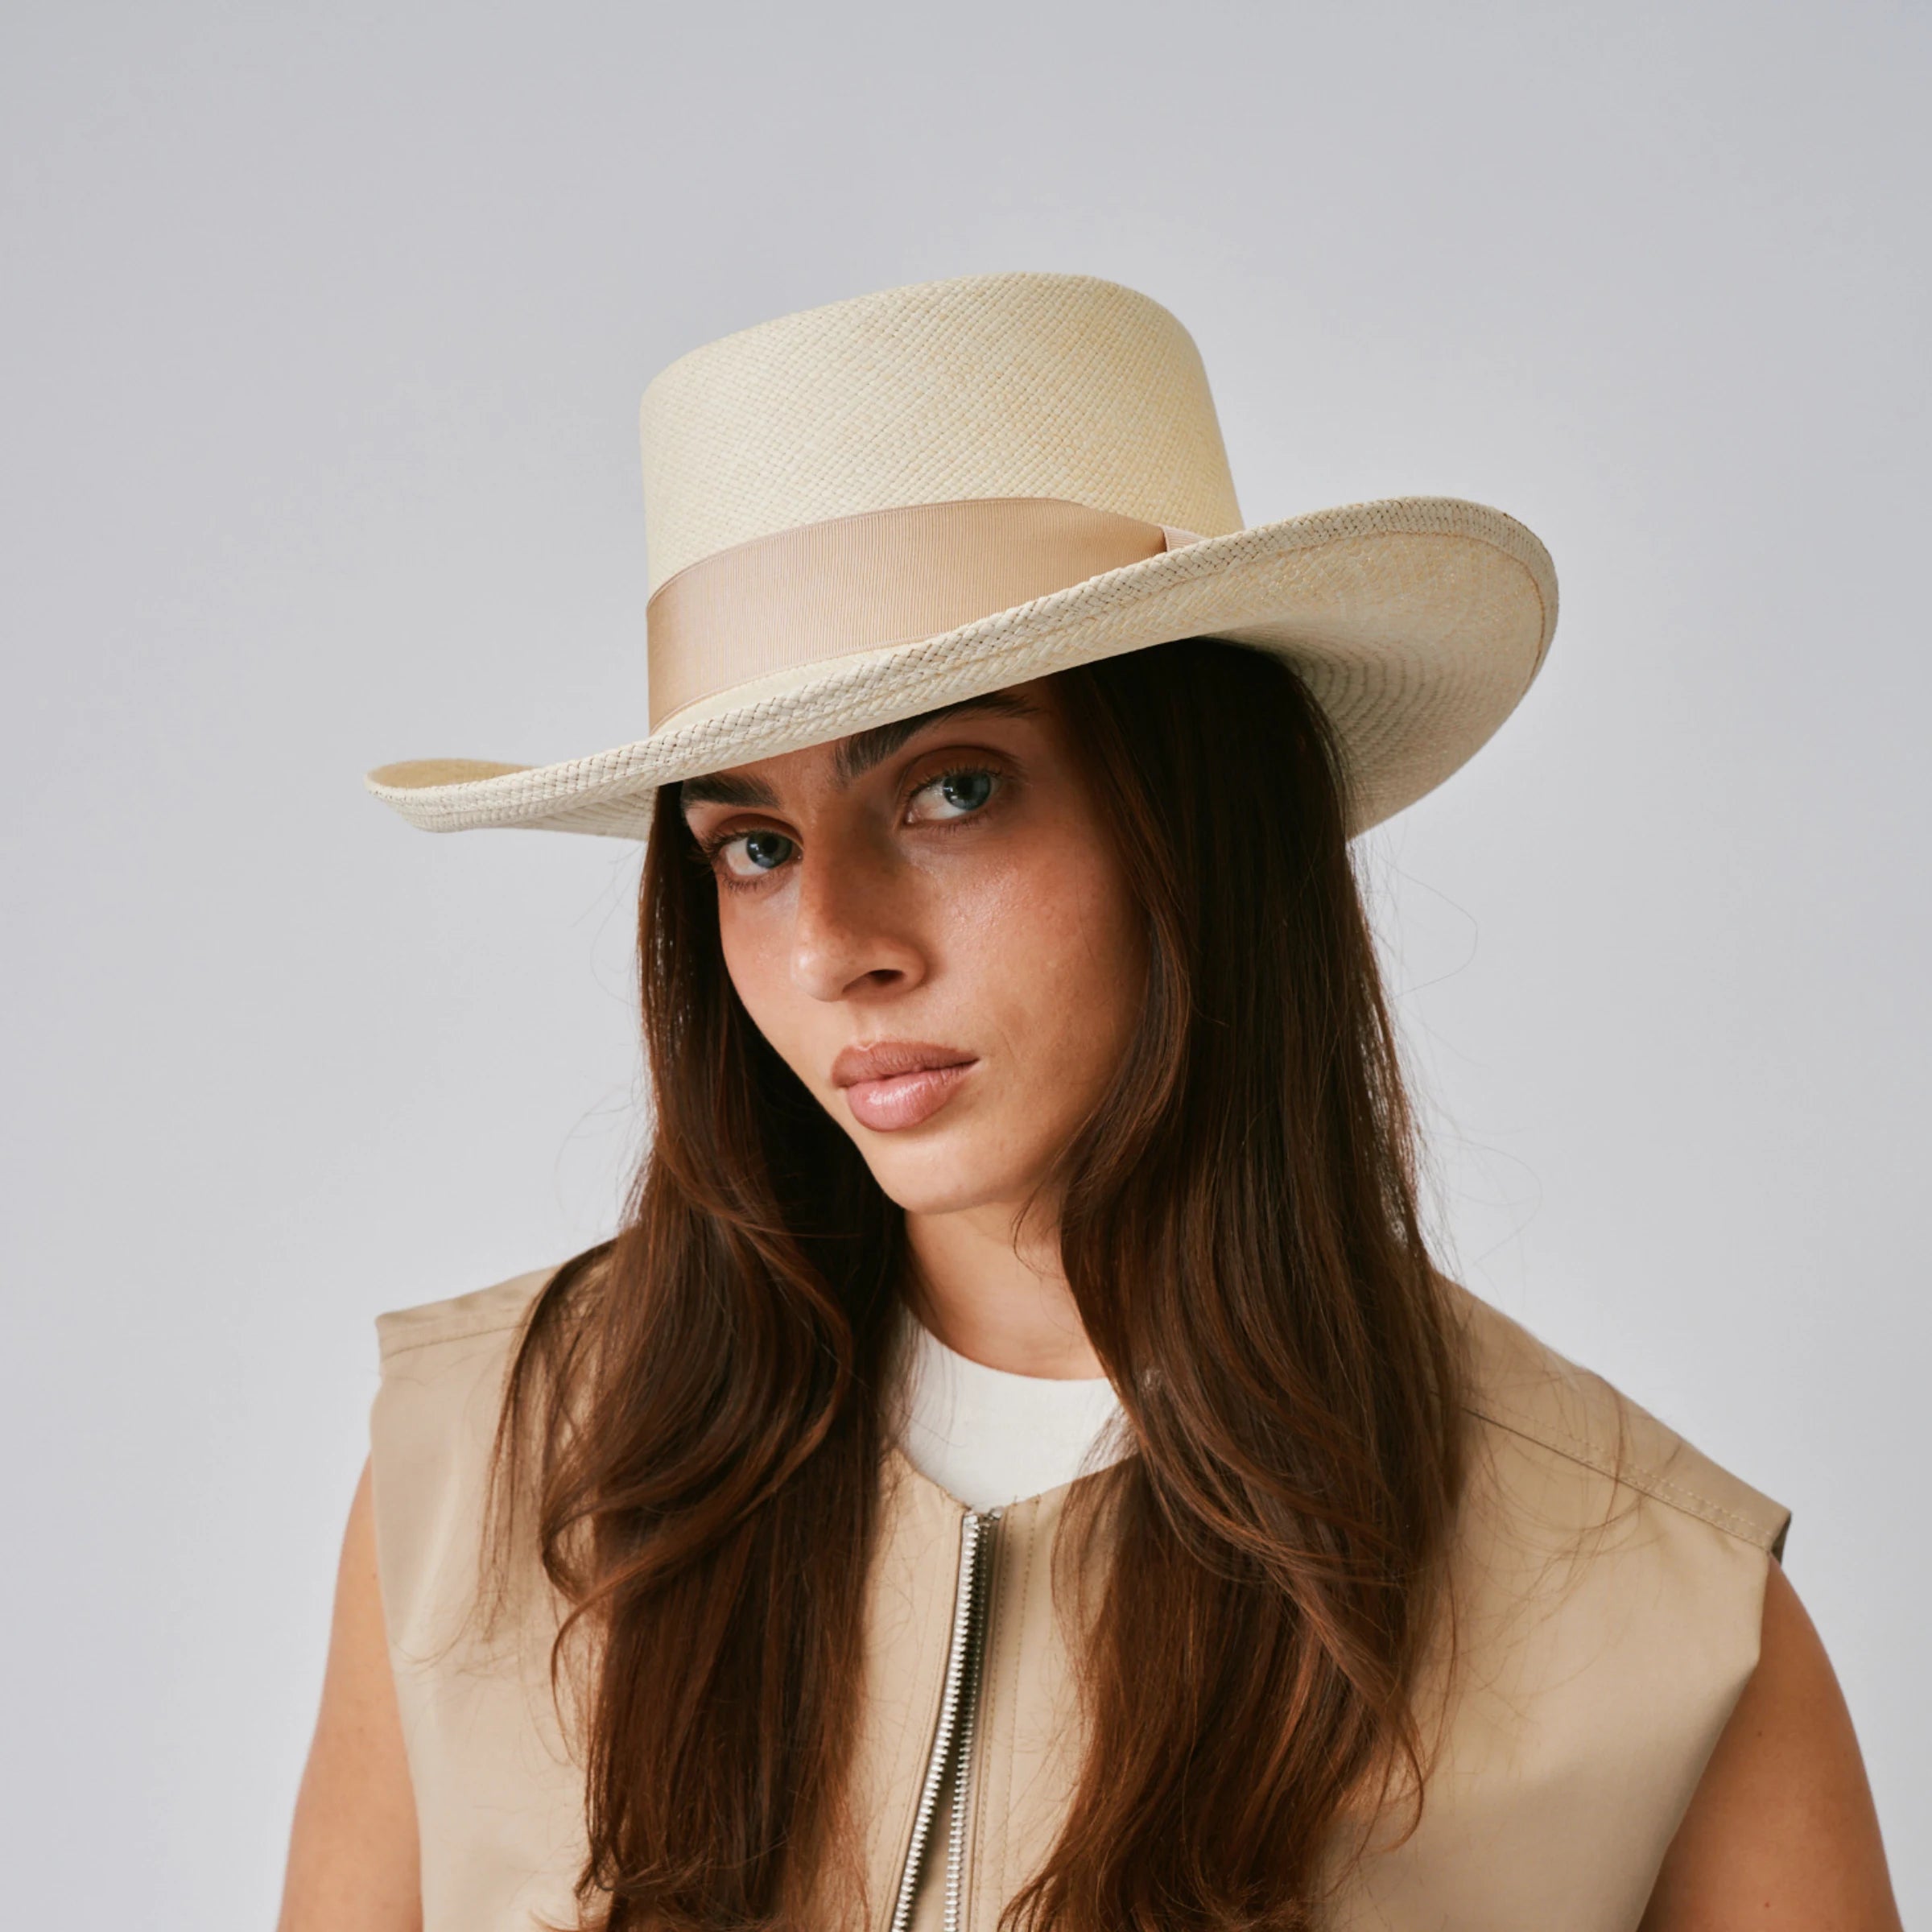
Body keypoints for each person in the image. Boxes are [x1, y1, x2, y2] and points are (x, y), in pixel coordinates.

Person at [278, 273, 1901, 1932]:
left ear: (1197, 819)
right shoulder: (482, 1468)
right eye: (750, 843)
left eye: (952, 789)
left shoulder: (1659, 1622)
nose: (834, 941)